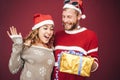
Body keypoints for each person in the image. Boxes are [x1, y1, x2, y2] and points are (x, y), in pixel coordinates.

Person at [52, 0, 99, 80]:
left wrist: (77, 62)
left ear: (79, 16)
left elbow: (95, 64)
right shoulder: (57, 35)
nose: (65, 20)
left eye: (69, 17)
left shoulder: (90, 35)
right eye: (63, 16)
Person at [7, 13, 55, 80]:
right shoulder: (27, 46)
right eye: (45, 28)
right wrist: (17, 44)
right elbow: (13, 69)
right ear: (37, 30)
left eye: (51, 29)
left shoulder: (51, 48)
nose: (49, 32)